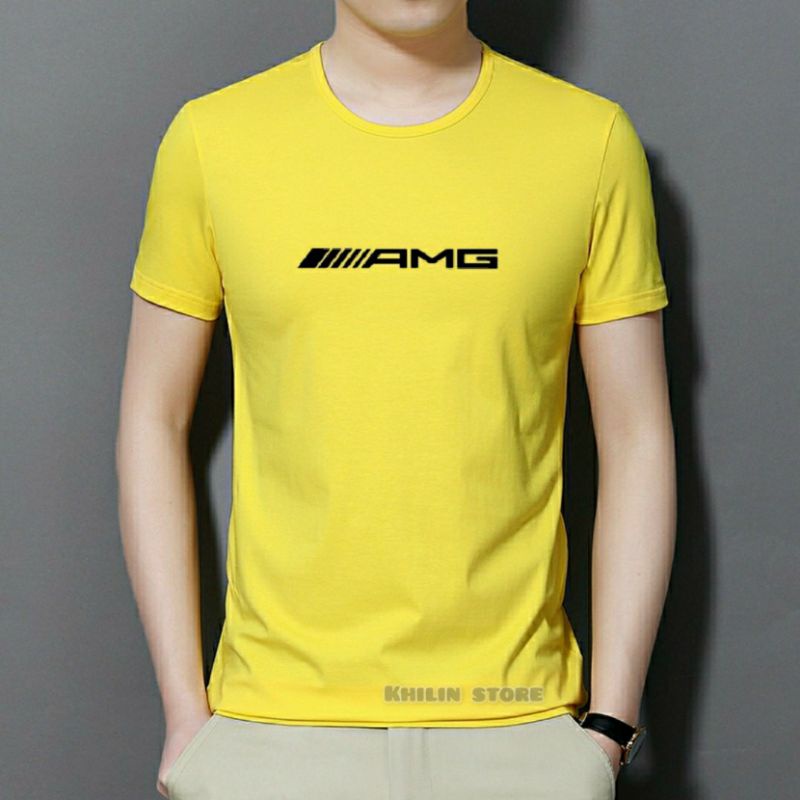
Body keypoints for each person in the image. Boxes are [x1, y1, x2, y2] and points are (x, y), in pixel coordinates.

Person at [116, 1, 677, 798]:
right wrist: (186, 719)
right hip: (271, 734)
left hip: (518, 730)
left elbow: (637, 435)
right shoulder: (214, 140)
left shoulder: (589, 141)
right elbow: (152, 418)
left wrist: (609, 728)